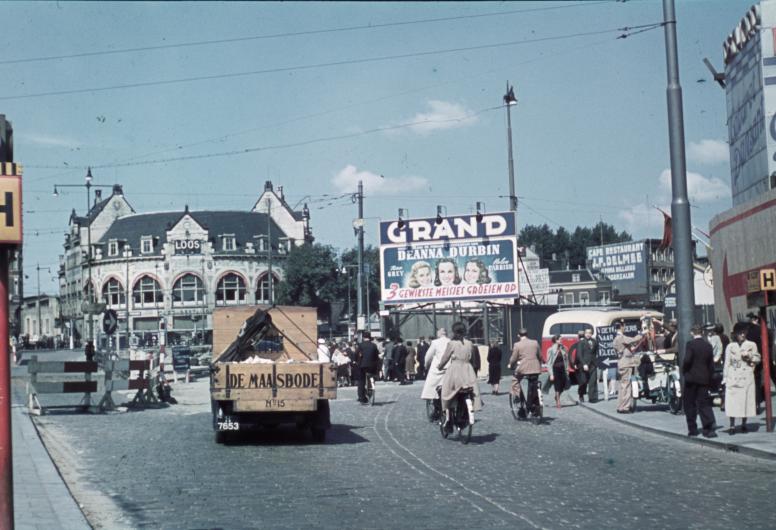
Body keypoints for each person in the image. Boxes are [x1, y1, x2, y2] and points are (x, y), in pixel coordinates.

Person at [437, 322, 483, 427]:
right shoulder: (469, 343)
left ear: (454, 331)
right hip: (468, 370)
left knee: (446, 392)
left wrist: (440, 366)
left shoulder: (452, 343)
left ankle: (447, 415)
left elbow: (445, 358)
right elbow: (473, 359)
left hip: (455, 370)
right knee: (472, 391)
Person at [723, 326, 761, 434]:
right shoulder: (730, 346)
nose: (742, 335)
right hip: (733, 377)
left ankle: (744, 424)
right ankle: (732, 425)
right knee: (732, 402)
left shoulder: (751, 344)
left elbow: (758, 358)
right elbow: (727, 363)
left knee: (745, 401)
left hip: (746, 377)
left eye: (744, 333)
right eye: (740, 333)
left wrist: (749, 356)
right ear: (736, 334)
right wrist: (725, 378)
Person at [683, 325, 717, 438]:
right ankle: (708, 428)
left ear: (692, 333)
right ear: (702, 332)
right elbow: (711, 364)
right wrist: (710, 377)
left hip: (691, 378)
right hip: (704, 378)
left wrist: (685, 370)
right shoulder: (707, 345)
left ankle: (692, 429)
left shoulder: (690, 345)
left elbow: (687, 359)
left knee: (690, 404)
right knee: (704, 403)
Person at [507, 328, 542, 417]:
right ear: (527, 334)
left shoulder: (517, 345)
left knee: (515, 380)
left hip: (523, 368)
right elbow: (539, 355)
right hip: (535, 368)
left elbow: (514, 358)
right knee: (533, 383)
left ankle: (518, 397)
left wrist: (510, 364)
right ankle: (535, 403)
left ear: (519, 335)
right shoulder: (535, 342)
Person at [613, 322, 642, 413]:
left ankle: (620, 406)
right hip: (626, 364)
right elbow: (633, 340)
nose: (624, 328)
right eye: (624, 327)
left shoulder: (616, 338)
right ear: (621, 327)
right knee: (626, 386)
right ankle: (624, 407)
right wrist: (642, 334)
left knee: (622, 386)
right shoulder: (621, 337)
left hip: (622, 363)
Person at [420, 328, 450, 402]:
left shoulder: (435, 342)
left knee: (432, 387)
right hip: (450, 368)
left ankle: (435, 402)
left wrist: (426, 365)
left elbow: (428, 356)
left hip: (438, 368)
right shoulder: (451, 341)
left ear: (439, 333)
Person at [545, 334, 570, 409]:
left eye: (561, 339)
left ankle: (557, 396)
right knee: (557, 385)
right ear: (556, 340)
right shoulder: (550, 350)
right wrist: (551, 374)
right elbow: (549, 363)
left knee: (564, 384)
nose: (561, 341)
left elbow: (566, 360)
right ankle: (558, 401)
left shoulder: (564, 348)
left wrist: (567, 369)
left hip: (563, 369)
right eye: (560, 339)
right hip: (555, 369)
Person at [356, 332, 380, 404]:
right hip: (372, 366)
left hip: (362, 366)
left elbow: (356, 354)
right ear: (370, 337)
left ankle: (361, 397)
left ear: (363, 337)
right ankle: (371, 390)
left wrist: (356, 361)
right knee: (371, 376)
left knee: (361, 381)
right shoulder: (373, 345)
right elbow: (376, 356)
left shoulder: (361, 345)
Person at [577, 328, 599, 403]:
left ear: (592, 334)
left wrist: (597, 362)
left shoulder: (595, 342)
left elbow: (596, 352)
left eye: (590, 333)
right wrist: (584, 364)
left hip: (593, 364)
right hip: (584, 365)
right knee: (583, 382)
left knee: (593, 382)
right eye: (586, 333)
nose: (588, 334)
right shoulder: (581, 342)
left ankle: (592, 398)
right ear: (584, 334)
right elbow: (579, 355)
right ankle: (581, 394)